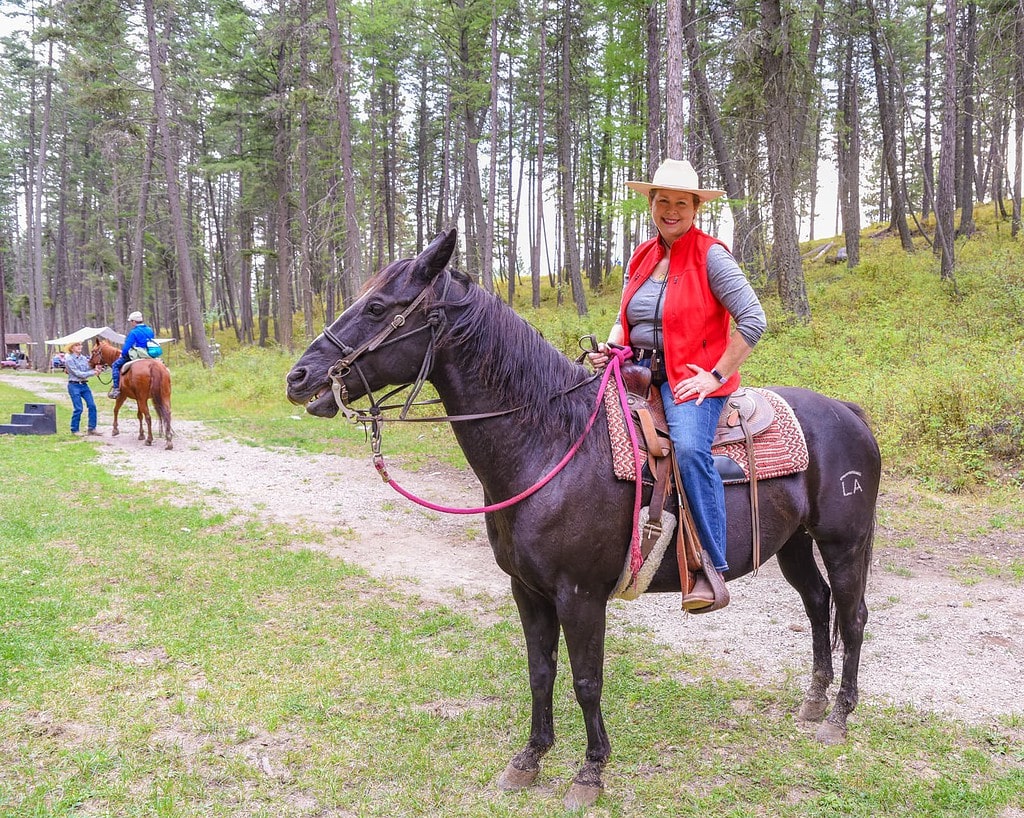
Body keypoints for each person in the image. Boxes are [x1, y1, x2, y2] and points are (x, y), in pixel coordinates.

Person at [589, 158, 766, 612]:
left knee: (687, 450)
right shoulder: (642, 256)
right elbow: (622, 316)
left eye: (681, 203)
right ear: (651, 204)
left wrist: (715, 376)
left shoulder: (712, 255)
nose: (671, 210)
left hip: (690, 381)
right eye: (663, 201)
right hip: (635, 371)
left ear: (695, 208)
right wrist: (609, 349)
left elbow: (753, 319)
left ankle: (710, 563)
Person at [108, 310, 155, 399]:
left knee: (115, 365)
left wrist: (123, 354)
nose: (131, 323)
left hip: (137, 355)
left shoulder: (134, 332)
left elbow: (127, 346)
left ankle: (116, 389)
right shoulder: (149, 330)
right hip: (149, 355)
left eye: (131, 321)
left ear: (134, 321)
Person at [64, 341, 102, 436]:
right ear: (72, 348)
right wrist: (93, 372)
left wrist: (97, 369)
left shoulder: (84, 358)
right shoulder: (69, 360)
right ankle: (74, 429)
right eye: (76, 345)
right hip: (74, 385)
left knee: (92, 406)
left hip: (84, 385)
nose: (79, 347)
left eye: (80, 345)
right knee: (78, 408)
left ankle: (92, 428)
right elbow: (78, 373)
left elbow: (86, 370)